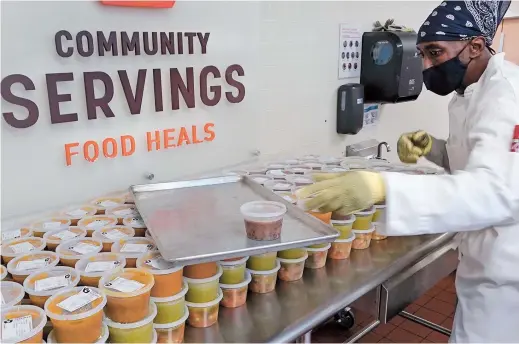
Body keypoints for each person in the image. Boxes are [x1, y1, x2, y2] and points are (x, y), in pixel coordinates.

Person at [297, 0, 519, 342]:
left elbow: (495, 191)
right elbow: (478, 162)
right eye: (423, 56)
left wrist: (384, 187)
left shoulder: (506, 96)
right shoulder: (467, 94)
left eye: (435, 53)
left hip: (507, 276)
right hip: (482, 257)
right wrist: (435, 148)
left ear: (475, 46)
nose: (427, 66)